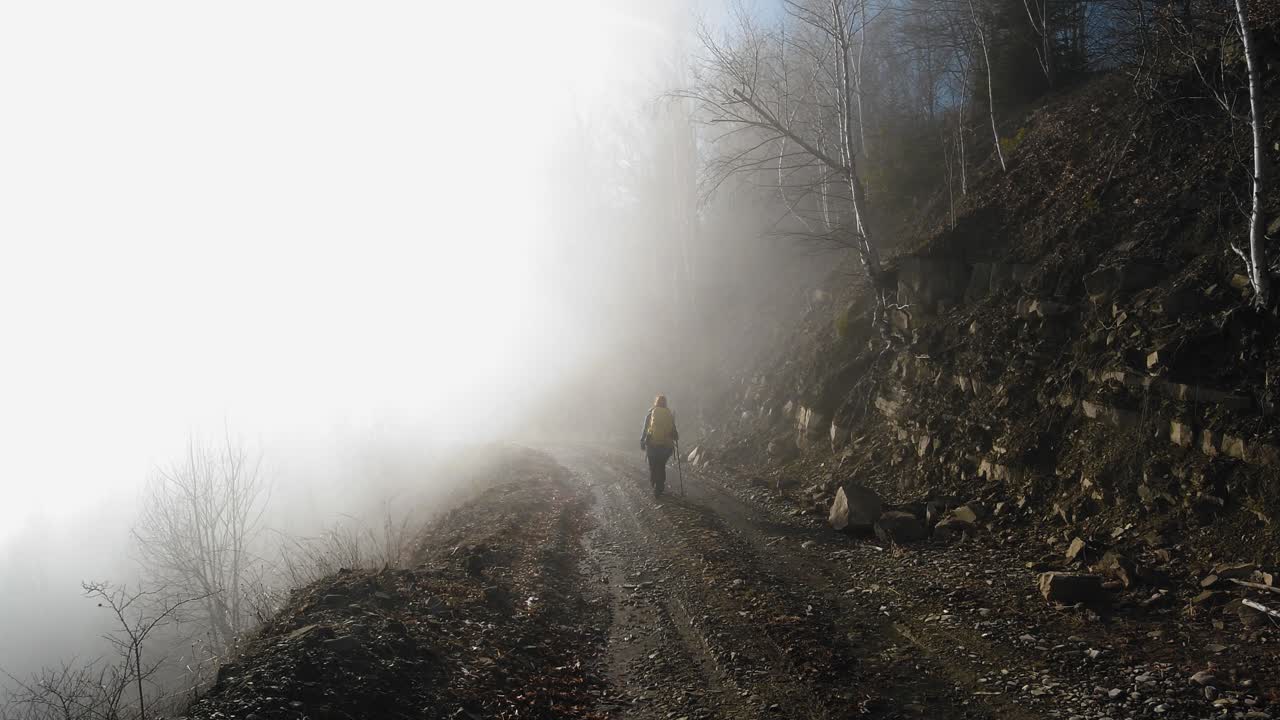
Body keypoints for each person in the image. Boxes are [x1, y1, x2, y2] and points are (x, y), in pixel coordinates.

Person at [640, 394, 679, 497]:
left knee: (653, 466)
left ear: (656, 402)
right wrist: (675, 437)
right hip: (666, 446)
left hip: (652, 444)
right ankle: (660, 486)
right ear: (665, 403)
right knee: (661, 465)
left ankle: (654, 481)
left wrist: (642, 441)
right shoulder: (669, 414)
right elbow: (674, 432)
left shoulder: (651, 413)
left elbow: (645, 429)